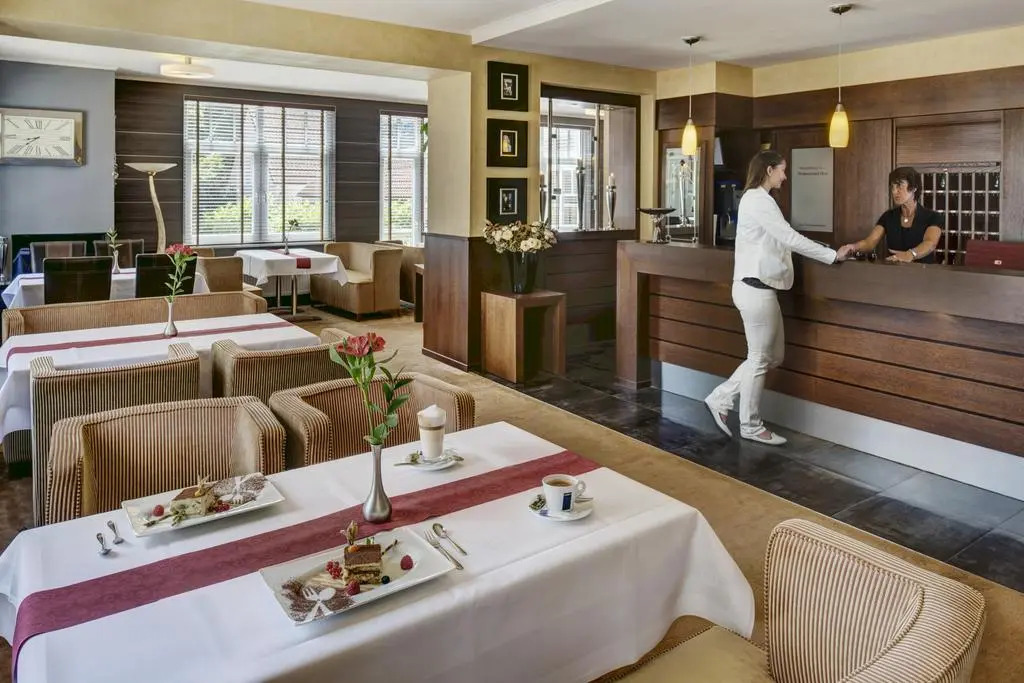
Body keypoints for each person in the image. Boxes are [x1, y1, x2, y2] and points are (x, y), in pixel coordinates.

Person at [704, 150, 854, 445]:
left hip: (759, 290)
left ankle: (721, 397)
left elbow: (781, 238)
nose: (785, 177)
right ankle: (750, 425)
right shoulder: (758, 200)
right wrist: (831, 255)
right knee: (759, 358)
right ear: (769, 170)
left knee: (773, 356)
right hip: (755, 290)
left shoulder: (757, 200)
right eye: (782, 170)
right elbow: (790, 238)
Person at [841, 167, 942, 263]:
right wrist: (852, 247)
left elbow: (930, 243)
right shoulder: (888, 216)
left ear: (914, 188)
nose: (894, 191)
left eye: (899, 186)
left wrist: (910, 254)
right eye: (892, 187)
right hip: (893, 270)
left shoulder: (932, 217)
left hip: (923, 271)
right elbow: (870, 242)